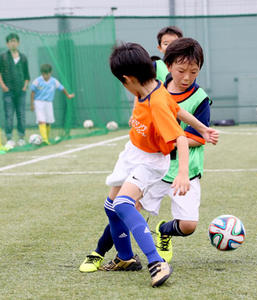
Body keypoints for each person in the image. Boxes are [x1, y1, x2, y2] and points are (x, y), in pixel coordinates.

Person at [85, 42, 218, 287]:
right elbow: (177, 108)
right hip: (131, 152)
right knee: (111, 207)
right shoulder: (153, 87)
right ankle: (125, 258)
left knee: (124, 205)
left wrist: (181, 174)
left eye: (122, 83)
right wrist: (202, 128)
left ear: (127, 79)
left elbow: (179, 137)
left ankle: (156, 261)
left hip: (151, 160)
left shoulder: (156, 102)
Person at [138, 37, 212, 263]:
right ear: (168, 66)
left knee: (188, 226)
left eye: (194, 71)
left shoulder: (200, 99)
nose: (187, 77)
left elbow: (199, 138)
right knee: (130, 207)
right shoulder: (156, 88)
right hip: (154, 167)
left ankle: (164, 230)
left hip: (185, 171)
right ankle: (123, 254)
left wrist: (165, 141)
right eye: (181, 71)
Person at [30, 64, 75, 144]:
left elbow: (62, 88)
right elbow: (32, 92)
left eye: (47, 74)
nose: (45, 76)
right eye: (43, 74)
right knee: (41, 120)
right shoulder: (37, 81)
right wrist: (32, 104)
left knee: (48, 121)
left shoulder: (54, 81)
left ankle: (46, 138)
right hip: (39, 103)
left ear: (50, 73)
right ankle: (44, 139)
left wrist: (68, 95)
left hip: (49, 103)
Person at [0, 33, 30, 148]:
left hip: (21, 92)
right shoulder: (3, 57)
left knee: (21, 115)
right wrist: (3, 85)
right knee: (8, 115)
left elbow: (27, 75)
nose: (13, 43)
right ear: (7, 44)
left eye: (15, 41)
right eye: (10, 41)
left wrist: (24, 86)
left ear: (18, 42)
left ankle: (21, 138)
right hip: (8, 92)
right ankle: (9, 138)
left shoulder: (23, 58)